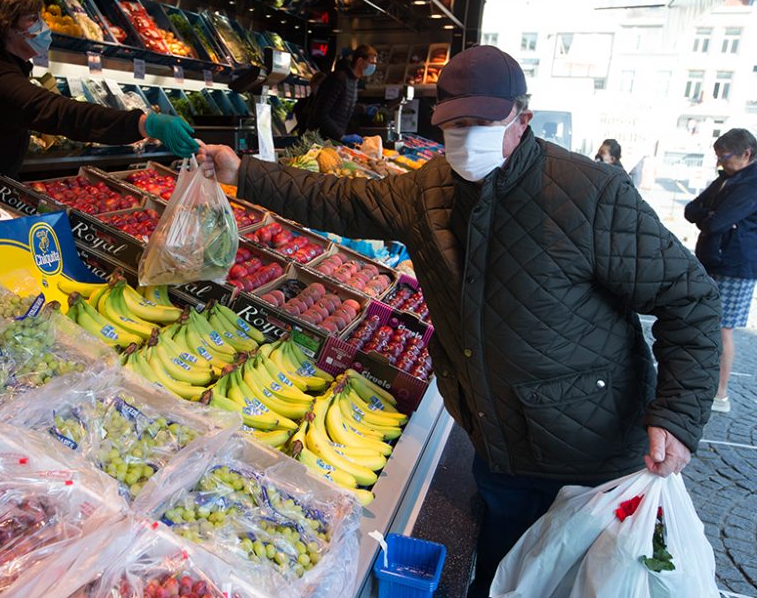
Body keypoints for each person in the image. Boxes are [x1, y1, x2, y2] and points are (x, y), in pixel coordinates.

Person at [197, 45, 720, 598]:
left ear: (523, 119)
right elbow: (342, 200)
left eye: (483, 123)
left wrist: (679, 415)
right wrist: (245, 174)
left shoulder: (589, 194)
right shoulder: (428, 190)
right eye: (455, 125)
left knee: (593, 585)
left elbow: (690, 299)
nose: (468, 138)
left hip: (592, 457)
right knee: (500, 581)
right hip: (499, 450)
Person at [0, 0, 198, 192]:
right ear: (7, 27)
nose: (44, 26)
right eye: (34, 19)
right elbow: (59, 112)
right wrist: (146, 123)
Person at [685, 127, 757, 414]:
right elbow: (692, 210)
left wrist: (710, 217)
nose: (719, 162)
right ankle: (704, 386)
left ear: (746, 154)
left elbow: (716, 223)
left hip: (736, 266)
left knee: (721, 330)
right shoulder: (728, 178)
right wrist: (709, 216)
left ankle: (720, 394)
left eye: (723, 156)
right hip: (714, 260)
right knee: (707, 325)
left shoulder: (751, 183)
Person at [305, 45, 377, 142]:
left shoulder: (353, 81)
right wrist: (341, 136)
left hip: (333, 140)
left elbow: (342, 106)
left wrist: (363, 109)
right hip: (320, 140)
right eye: (371, 63)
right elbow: (321, 113)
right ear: (360, 61)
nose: (374, 67)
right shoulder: (338, 79)